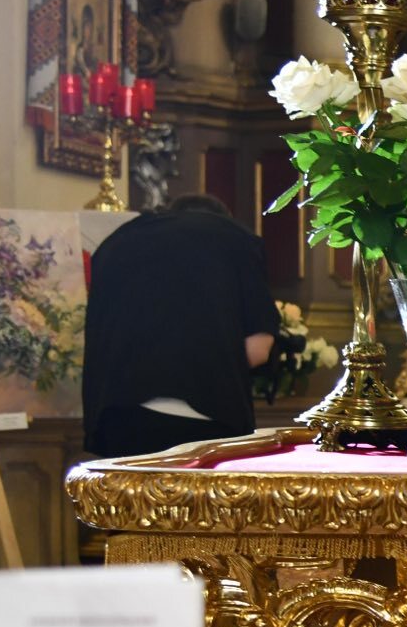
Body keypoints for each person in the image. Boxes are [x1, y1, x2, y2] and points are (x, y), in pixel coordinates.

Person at [83, 193, 288, 457]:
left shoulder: (121, 240)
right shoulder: (233, 239)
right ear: (221, 221)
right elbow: (258, 350)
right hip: (205, 416)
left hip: (118, 415)